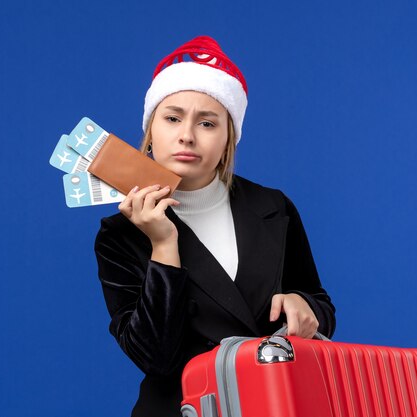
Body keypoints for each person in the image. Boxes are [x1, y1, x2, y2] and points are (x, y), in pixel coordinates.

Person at [94, 35, 336, 417]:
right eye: (172, 118)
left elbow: (320, 304)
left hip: (273, 404)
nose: (187, 135)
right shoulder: (121, 233)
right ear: (150, 132)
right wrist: (163, 245)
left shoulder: (273, 206)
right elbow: (155, 358)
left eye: (207, 123)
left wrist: (305, 306)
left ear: (228, 139)